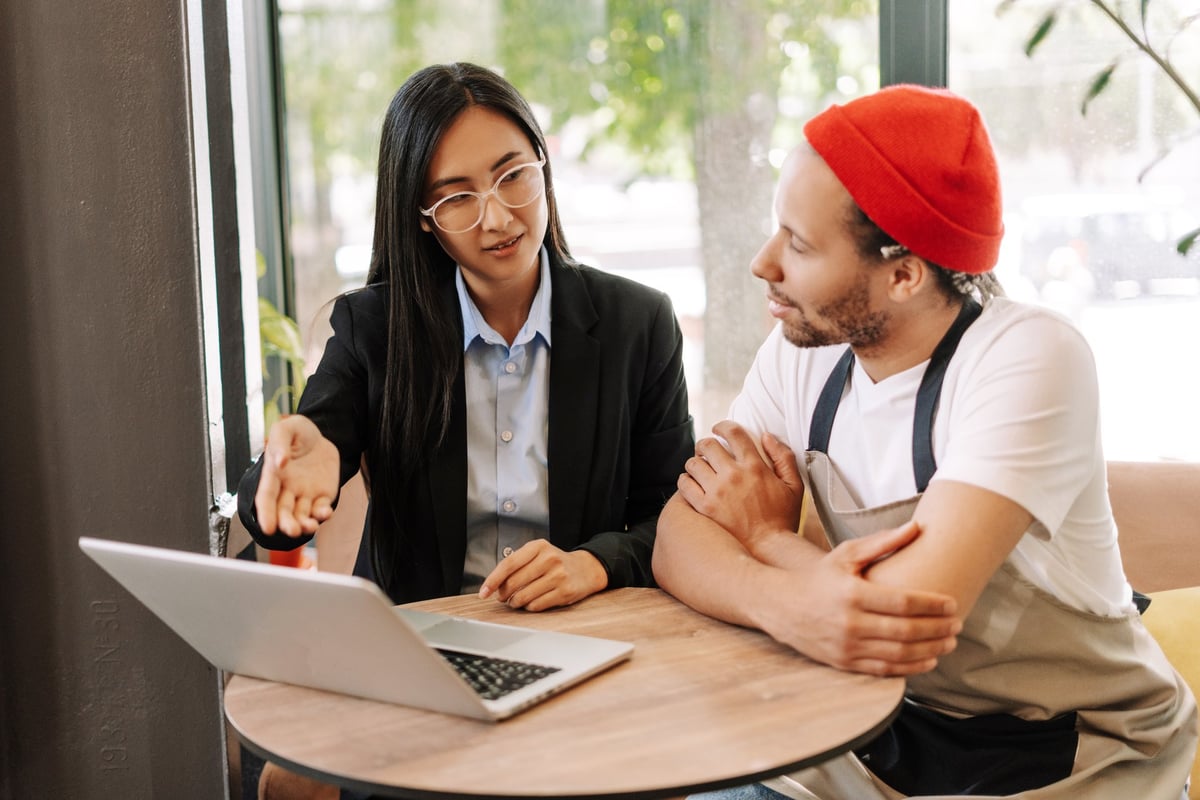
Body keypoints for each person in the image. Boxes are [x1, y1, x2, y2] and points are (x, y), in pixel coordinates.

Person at [652, 84, 1197, 799]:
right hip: (878, 727)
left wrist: (765, 537)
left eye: (801, 244)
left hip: (1068, 747)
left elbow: (905, 619)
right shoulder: (805, 348)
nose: (764, 263)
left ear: (904, 272)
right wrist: (787, 603)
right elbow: (677, 537)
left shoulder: (1031, 355)